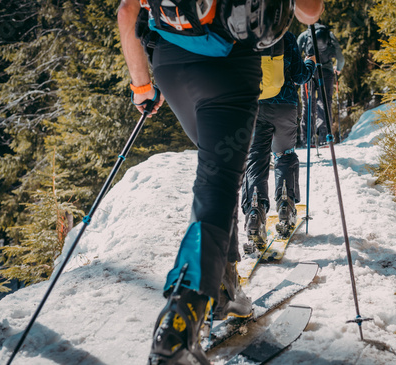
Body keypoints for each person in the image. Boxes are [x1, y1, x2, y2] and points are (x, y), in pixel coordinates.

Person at [117, 1, 324, 364]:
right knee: (218, 180)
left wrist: (142, 85)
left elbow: (126, 11)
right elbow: (309, 12)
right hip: (230, 66)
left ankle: (226, 289)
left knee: (220, 172)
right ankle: (181, 316)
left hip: (169, 63)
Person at [242, 31, 315, 253]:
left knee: (256, 159)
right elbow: (300, 76)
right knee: (284, 154)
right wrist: (310, 63)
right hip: (285, 106)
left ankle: (255, 211)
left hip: (254, 107)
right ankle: (285, 204)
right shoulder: (286, 36)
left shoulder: (242, 33)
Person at [297, 23, 344, 147]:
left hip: (309, 73)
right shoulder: (329, 34)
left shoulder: (304, 35)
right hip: (327, 72)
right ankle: (324, 138)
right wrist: (338, 68)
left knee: (308, 104)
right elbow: (340, 57)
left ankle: (308, 139)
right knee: (325, 103)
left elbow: (296, 56)